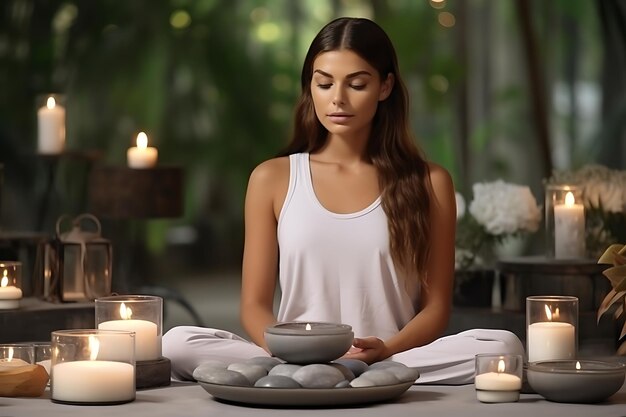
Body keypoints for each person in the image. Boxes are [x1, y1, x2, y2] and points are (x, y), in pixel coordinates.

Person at [163, 16, 523, 384]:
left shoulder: (429, 182)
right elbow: (254, 305)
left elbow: (435, 309)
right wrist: (286, 350)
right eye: (324, 83)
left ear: (385, 87)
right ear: (311, 88)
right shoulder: (272, 178)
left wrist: (386, 349)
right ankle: (310, 373)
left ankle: (359, 374)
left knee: (503, 346)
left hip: (390, 354)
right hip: (290, 356)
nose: (338, 98)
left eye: (356, 84)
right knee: (177, 342)